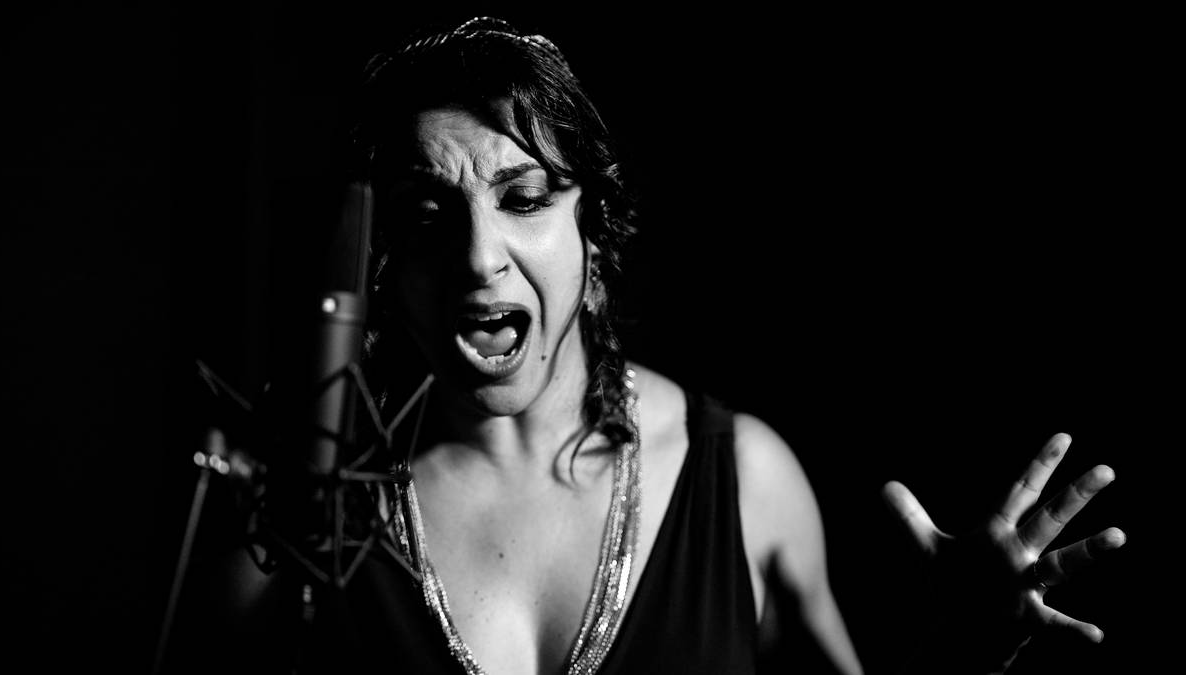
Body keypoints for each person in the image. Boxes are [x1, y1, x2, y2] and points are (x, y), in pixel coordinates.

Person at [179, 16, 1126, 675]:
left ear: (593, 236)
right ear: (385, 264)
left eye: (523, 198)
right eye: (427, 216)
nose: (477, 258)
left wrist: (958, 656)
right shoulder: (304, 512)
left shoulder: (743, 480)